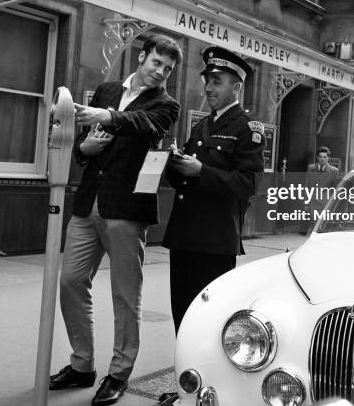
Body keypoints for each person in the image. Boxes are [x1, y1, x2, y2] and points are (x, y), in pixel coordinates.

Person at [49, 34, 182, 406]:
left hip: (127, 210)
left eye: (168, 69)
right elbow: (84, 142)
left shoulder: (167, 104)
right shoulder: (107, 89)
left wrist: (107, 117)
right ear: (142, 57)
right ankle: (81, 365)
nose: (160, 72)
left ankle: (119, 374)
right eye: (156, 63)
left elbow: (143, 125)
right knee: (71, 281)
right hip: (88, 203)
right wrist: (82, 148)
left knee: (126, 296)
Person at [162, 46, 265, 333]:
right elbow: (185, 181)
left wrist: (201, 171)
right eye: (207, 80)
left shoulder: (247, 128)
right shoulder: (203, 125)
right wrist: (174, 164)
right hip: (184, 235)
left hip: (215, 240)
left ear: (236, 87)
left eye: (217, 81)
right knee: (182, 315)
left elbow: (248, 184)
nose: (208, 87)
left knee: (210, 319)